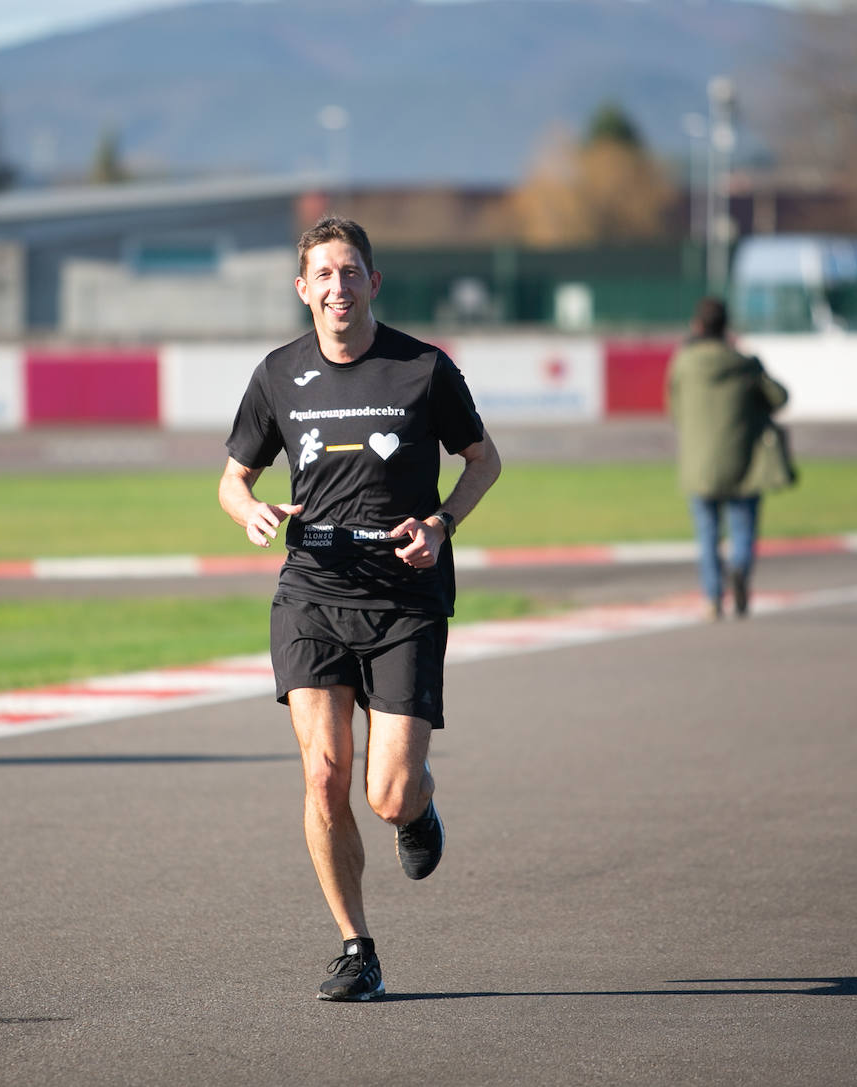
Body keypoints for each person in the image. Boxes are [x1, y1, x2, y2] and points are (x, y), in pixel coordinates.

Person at [218, 216, 502, 1002]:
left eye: (351, 272)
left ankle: (419, 808)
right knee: (322, 773)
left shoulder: (423, 368)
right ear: (303, 288)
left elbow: (485, 459)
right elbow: (232, 476)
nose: (338, 287)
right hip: (311, 588)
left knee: (386, 793)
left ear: (372, 282)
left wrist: (442, 523)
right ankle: (356, 947)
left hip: (405, 596)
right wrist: (245, 508)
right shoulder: (278, 374)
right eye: (324, 275)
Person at [665, 296, 789, 619]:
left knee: (707, 534)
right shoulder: (744, 365)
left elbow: (674, 410)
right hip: (743, 462)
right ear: (726, 328)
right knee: (743, 527)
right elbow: (779, 398)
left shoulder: (683, 363)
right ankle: (740, 569)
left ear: (697, 326)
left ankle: (712, 597)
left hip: (699, 464)